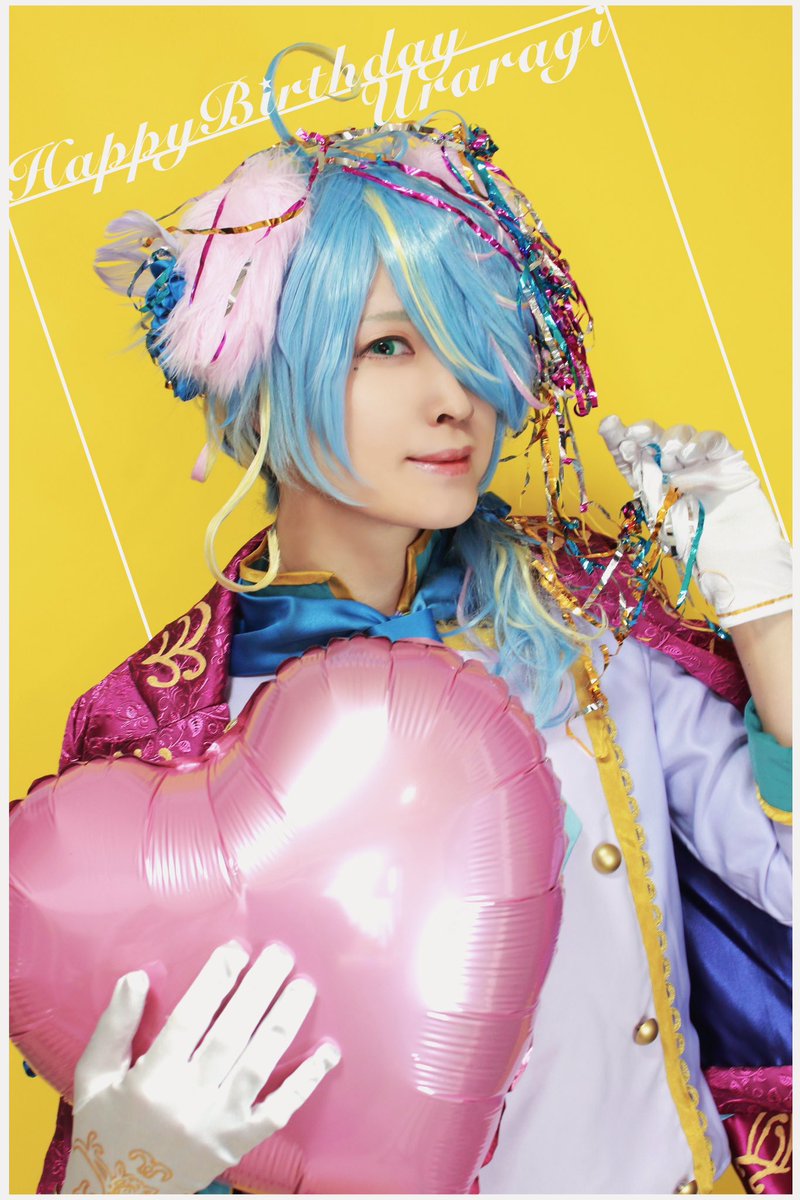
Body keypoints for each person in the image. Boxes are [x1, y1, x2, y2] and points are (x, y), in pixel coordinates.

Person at [29, 43, 792, 1196]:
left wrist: (768, 611)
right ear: (265, 373)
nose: (455, 398)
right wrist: (119, 1174)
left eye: (475, 346)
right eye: (387, 344)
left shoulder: (576, 618)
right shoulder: (177, 748)